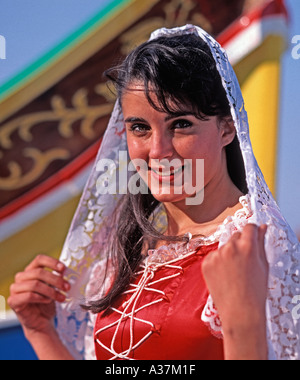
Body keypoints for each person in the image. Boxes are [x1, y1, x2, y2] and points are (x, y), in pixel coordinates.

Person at [8, 25, 300, 360]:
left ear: (226, 127)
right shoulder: (128, 251)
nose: (158, 151)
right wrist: (40, 330)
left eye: (180, 124)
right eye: (140, 128)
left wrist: (242, 325)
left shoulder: (257, 246)